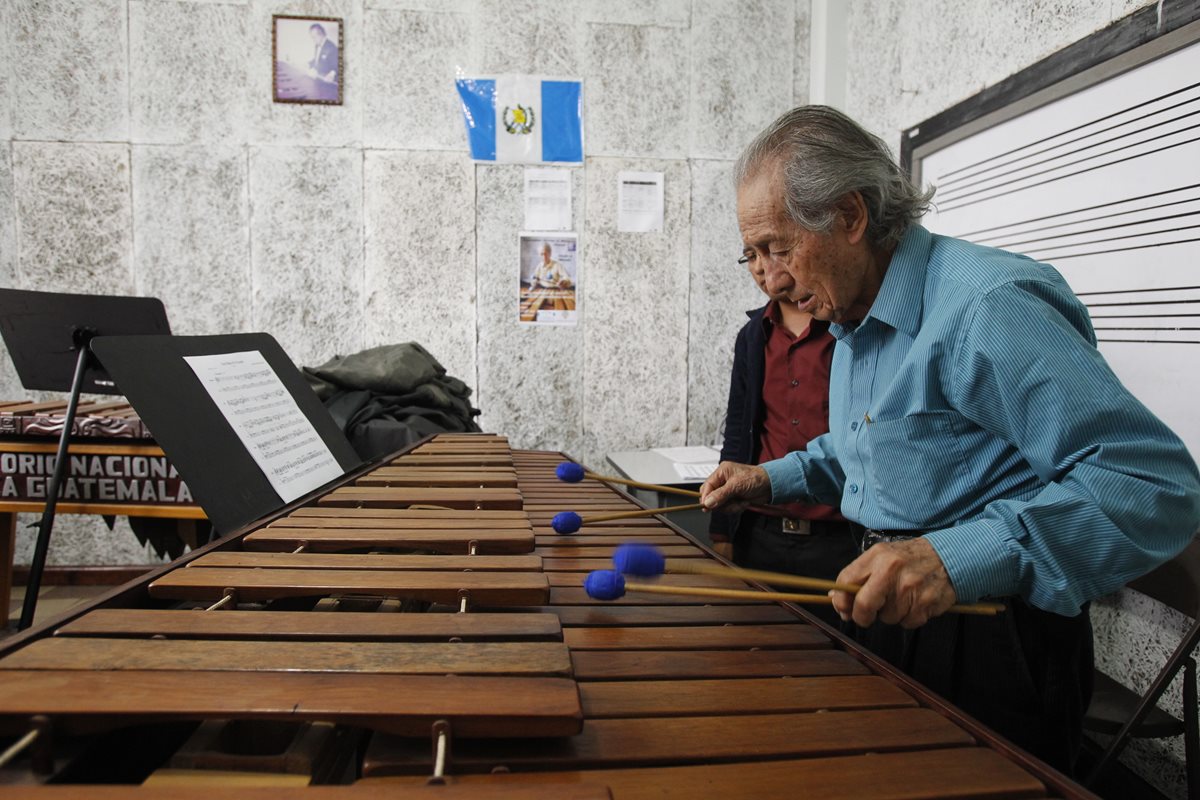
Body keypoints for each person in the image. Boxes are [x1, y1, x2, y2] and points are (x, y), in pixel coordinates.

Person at [700, 105, 1200, 772]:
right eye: (752, 255)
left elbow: (1153, 485)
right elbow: (868, 449)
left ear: (850, 217)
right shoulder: (851, 316)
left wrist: (952, 557)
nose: (765, 278)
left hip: (994, 632)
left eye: (778, 248)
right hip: (889, 609)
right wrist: (769, 477)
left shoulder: (989, 307)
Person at [709, 244, 858, 624]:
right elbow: (739, 433)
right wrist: (723, 531)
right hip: (761, 532)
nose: (762, 268)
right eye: (750, 257)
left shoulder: (848, 330)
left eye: (772, 251)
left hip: (839, 538)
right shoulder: (752, 335)